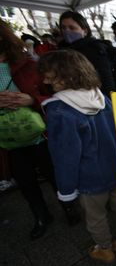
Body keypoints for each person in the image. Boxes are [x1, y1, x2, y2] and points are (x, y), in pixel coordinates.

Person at [39, 50, 116, 263]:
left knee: (96, 216)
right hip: (115, 167)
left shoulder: (59, 111)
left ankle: (104, 248)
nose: (45, 81)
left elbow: (65, 157)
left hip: (89, 177)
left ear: (66, 76)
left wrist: (66, 190)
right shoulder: (100, 96)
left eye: (50, 77)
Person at [0, 19, 71, 240]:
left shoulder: (28, 63)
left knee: (53, 173)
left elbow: (55, 95)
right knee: (25, 181)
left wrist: (31, 99)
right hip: (7, 138)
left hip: (40, 134)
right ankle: (41, 216)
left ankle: (68, 207)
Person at [58, 11, 116, 96]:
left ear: (85, 31)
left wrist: (109, 102)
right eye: (63, 28)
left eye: (72, 28)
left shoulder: (95, 49)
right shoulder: (61, 49)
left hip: (93, 98)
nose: (67, 31)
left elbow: (106, 79)